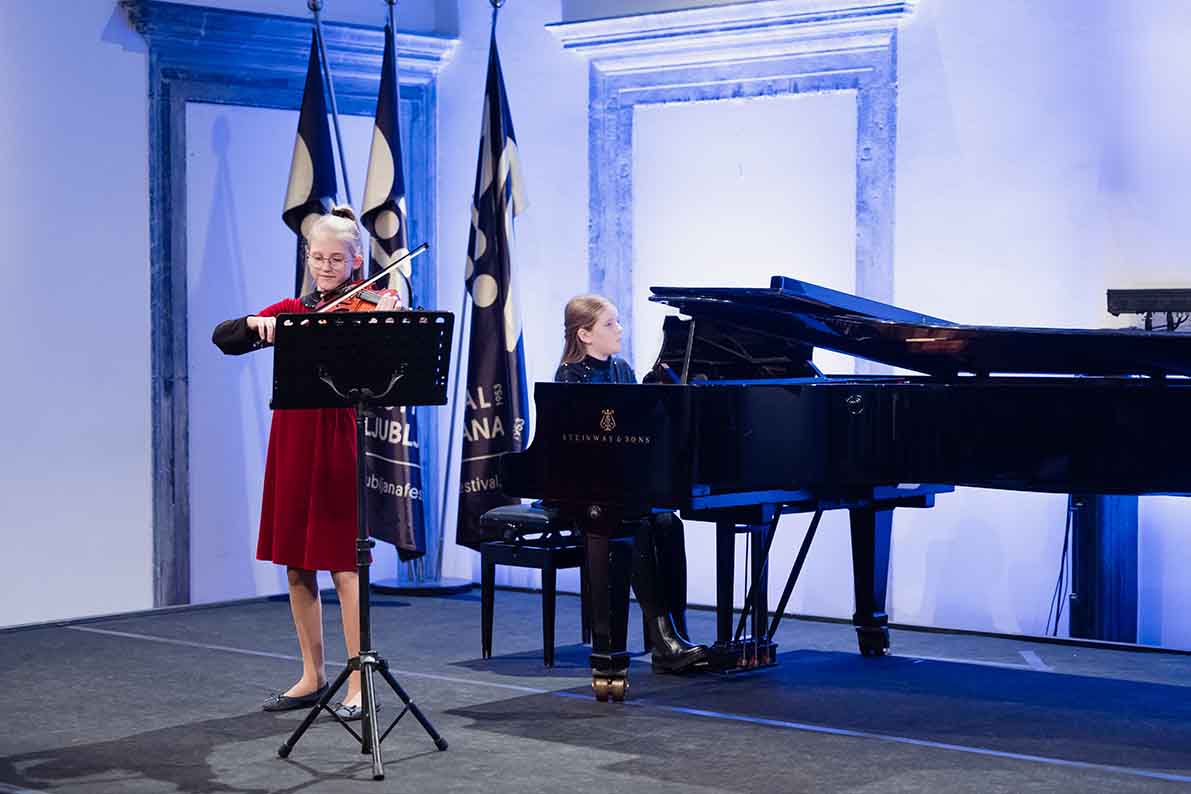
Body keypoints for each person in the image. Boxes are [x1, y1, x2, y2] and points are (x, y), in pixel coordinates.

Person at [212, 206, 401, 721]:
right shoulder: (293, 309)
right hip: (291, 439)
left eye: (336, 259)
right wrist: (256, 325)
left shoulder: (369, 305)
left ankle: (358, 683)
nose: (325, 267)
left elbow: (392, 357)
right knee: (297, 562)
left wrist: (389, 312)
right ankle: (312, 676)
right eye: (317, 257)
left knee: (343, 564)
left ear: (356, 260)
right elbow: (224, 337)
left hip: (336, 438)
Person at [555, 294, 709, 672]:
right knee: (634, 527)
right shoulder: (570, 377)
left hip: (621, 487)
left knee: (668, 523)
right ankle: (664, 639)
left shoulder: (621, 369)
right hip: (582, 492)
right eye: (610, 324)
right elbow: (574, 450)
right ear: (585, 334)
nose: (619, 330)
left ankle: (674, 631)